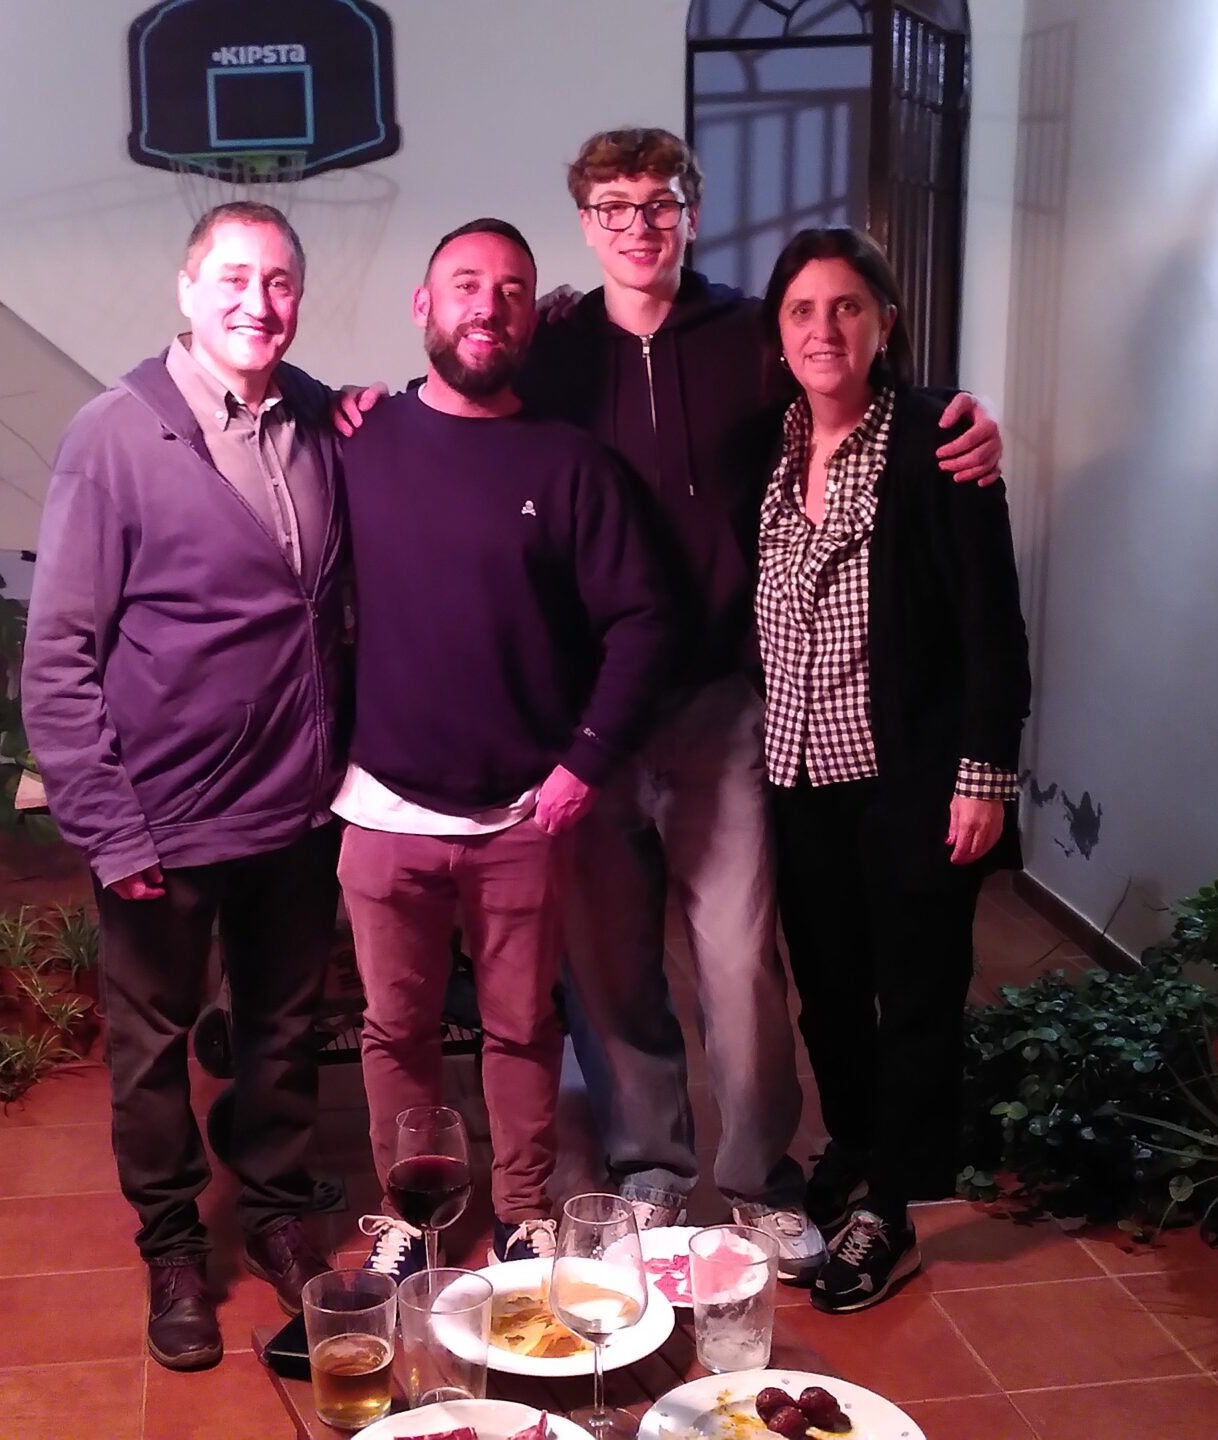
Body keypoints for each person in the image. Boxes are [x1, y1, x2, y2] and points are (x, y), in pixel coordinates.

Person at [517, 128, 1005, 1279]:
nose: (640, 225)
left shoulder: (751, 333)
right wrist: (357, 407)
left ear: (690, 213)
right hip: (591, 716)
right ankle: (648, 1167)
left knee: (739, 963)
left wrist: (961, 417)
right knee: (611, 966)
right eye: (615, 206)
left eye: (660, 202)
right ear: (585, 224)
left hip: (723, 703)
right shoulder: (550, 352)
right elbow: (454, 398)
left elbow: (864, 395)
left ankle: (758, 1178)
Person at [21, 202, 342, 1372]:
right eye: (235, 277)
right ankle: (170, 1246)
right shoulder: (114, 435)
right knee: (151, 1047)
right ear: (187, 288)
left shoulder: (321, 419)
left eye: (280, 281)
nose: (259, 301)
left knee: (283, 1031)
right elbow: (57, 655)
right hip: (161, 819)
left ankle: (276, 1213)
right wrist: (110, 829)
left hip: (295, 808)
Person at [334, 219, 670, 1281]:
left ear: (531, 318)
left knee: (523, 1026)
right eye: (466, 285)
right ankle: (412, 1214)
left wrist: (582, 765)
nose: (489, 305)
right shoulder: (356, 441)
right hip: (382, 806)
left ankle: (523, 1209)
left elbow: (642, 623)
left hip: (525, 811)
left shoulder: (570, 463)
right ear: (424, 308)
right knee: (395, 1030)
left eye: (513, 290)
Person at [753, 227, 1031, 1312]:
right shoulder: (768, 446)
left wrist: (983, 775)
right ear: (779, 333)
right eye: (802, 311)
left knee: (914, 997)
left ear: (885, 323)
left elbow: (991, 626)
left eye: (847, 307)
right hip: (796, 779)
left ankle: (894, 1207)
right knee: (828, 996)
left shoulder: (936, 441)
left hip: (908, 778)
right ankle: (856, 1144)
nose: (823, 329)